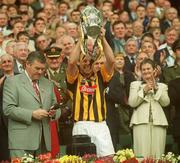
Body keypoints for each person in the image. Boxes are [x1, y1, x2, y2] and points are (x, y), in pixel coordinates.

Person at [66, 28, 115, 157]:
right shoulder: (74, 78)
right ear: (79, 62)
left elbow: (111, 61)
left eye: (91, 61)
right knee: (82, 159)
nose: (87, 63)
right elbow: (71, 62)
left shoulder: (102, 76)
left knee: (107, 159)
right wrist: (81, 38)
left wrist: (103, 38)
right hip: (81, 125)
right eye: (84, 61)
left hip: (100, 125)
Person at [3, 51, 61, 158]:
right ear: (27, 64)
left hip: (44, 141)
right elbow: (8, 109)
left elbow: (57, 108)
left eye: (43, 69)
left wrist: (53, 113)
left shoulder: (48, 84)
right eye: (37, 68)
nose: (40, 72)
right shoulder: (12, 82)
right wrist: (32, 114)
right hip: (21, 142)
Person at [128, 58, 170, 159]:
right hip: (140, 122)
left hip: (159, 123)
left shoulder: (162, 86)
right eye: (144, 69)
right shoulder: (135, 85)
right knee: (142, 156)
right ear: (140, 71)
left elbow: (166, 103)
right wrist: (144, 90)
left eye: (148, 68)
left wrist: (156, 89)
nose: (146, 71)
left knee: (158, 155)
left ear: (154, 70)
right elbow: (132, 103)